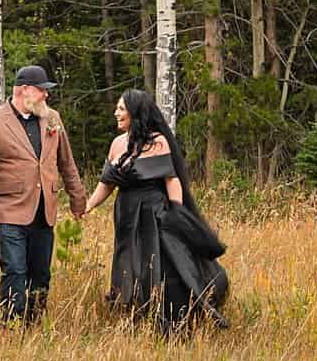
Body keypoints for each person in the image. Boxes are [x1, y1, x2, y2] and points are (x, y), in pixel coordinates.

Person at [83, 89, 230, 334]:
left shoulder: (158, 142)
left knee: (162, 264)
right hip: (127, 216)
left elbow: (172, 179)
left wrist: (177, 213)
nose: (116, 113)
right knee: (129, 262)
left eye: (121, 108)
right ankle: (135, 314)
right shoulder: (116, 144)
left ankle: (171, 319)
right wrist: (88, 205)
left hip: (154, 213)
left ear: (135, 112)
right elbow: (106, 184)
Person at [0, 64, 87, 325]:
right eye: (42, 90)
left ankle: (33, 326)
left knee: (40, 274)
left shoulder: (52, 118)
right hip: (9, 211)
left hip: (44, 212)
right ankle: (12, 326)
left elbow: (67, 163)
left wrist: (78, 200)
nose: (46, 95)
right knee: (14, 270)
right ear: (24, 90)